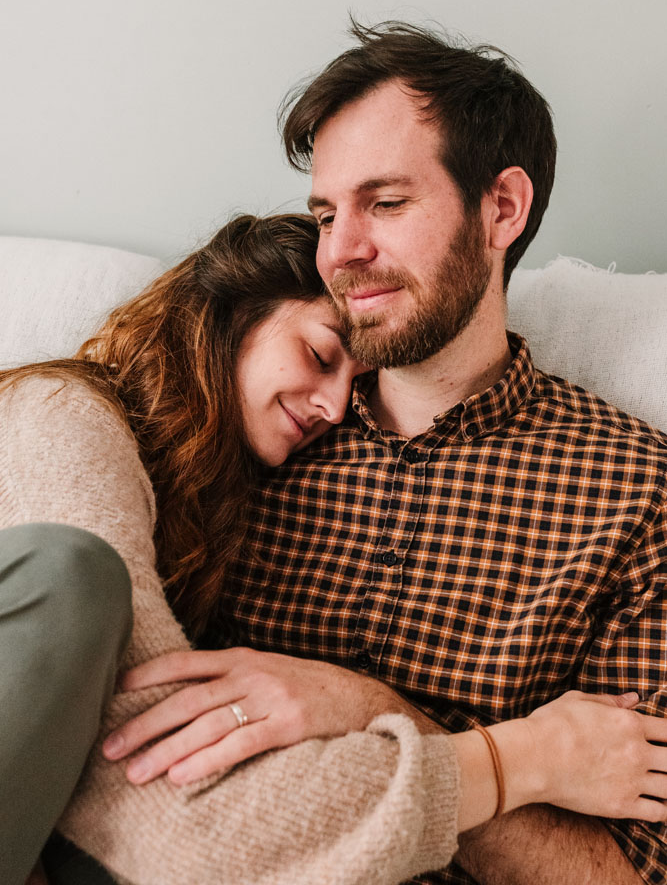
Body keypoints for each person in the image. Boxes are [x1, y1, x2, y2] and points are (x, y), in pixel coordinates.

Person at [107, 22, 667, 885]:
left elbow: (627, 872)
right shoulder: (261, 424)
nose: (339, 250)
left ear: (501, 209)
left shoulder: (635, 491)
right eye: (326, 213)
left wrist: (365, 709)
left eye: (387, 204)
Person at [2, 214, 667, 885]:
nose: (331, 407)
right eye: (320, 357)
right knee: (73, 574)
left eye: (354, 385)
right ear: (229, 317)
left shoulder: (215, 501)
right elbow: (175, 794)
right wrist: (515, 760)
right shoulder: (59, 414)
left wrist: (366, 704)